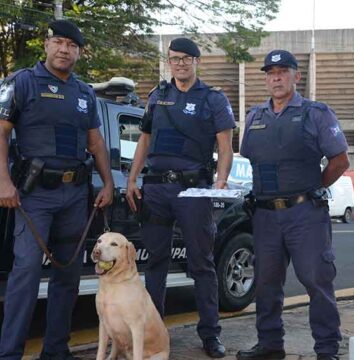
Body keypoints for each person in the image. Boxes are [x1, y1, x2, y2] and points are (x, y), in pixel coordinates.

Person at [0, 20, 114, 360]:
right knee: (27, 272)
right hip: (34, 195)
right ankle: (9, 353)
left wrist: (108, 182)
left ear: (79, 52)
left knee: (68, 273)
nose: (65, 50)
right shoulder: (22, 82)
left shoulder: (84, 93)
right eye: (59, 42)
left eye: (72, 45)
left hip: (75, 195)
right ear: (47, 45)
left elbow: (96, 142)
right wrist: (3, 181)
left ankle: (56, 350)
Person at [126, 37, 235, 358]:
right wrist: (132, 178)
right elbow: (144, 141)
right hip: (156, 190)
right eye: (175, 59)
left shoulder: (213, 99)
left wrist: (222, 180)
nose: (180, 64)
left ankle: (210, 335)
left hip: (193, 190)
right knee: (155, 262)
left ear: (196, 61)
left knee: (202, 263)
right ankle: (153, 333)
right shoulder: (157, 96)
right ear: (168, 61)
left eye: (186, 59)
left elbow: (225, 146)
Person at [236, 50, 350, 360]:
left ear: (296, 76)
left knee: (316, 280)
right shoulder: (254, 117)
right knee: (266, 283)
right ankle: (271, 345)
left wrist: (313, 189)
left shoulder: (316, 113)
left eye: (283, 71)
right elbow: (251, 160)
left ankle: (327, 349)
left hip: (305, 214)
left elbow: (340, 161)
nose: (276, 77)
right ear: (265, 78)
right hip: (265, 216)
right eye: (270, 72)